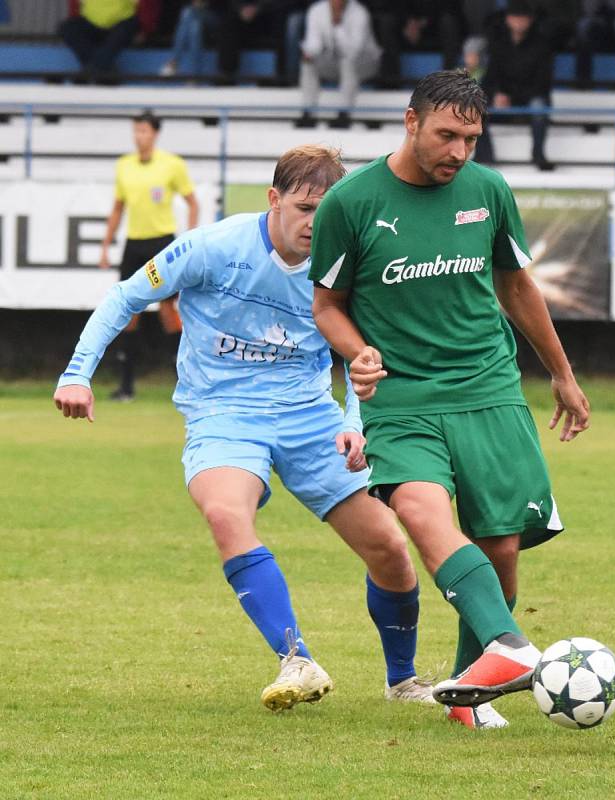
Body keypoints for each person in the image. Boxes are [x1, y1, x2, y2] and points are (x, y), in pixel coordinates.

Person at [54, 144, 435, 712]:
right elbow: (124, 296)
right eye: (305, 208)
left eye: (327, 213)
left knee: (390, 548)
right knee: (225, 512)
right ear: (274, 199)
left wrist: (355, 422)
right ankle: (296, 659)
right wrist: (77, 374)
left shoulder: (346, 265)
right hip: (223, 414)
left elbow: (364, 358)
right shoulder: (214, 246)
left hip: (311, 419)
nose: (315, 223)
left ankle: (402, 681)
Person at [309, 70, 590, 731]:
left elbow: (517, 287)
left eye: (470, 138)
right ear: (410, 122)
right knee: (421, 511)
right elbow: (326, 306)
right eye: (445, 135)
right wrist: (358, 352)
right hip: (402, 397)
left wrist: (562, 373)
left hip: (487, 387)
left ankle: (469, 697)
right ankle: (511, 647)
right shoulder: (349, 203)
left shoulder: (488, 191)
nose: (458, 152)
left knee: (499, 549)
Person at [99, 109, 199, 401]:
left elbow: (192, 202)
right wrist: (106, 245)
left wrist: (189, 237)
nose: (139, 136)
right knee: (129, 311)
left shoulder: (171, 165)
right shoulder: (124, 165)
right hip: (134, 244)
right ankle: (127, 386)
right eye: (136, 131)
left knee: (169, 312)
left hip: (161, 244)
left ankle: (186, 382)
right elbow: (118, 208)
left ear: (154, 133)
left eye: (144, 131)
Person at [474, 0, 555, 171]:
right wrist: (497, 94)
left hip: (529, 97)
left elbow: (542, 84)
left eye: (523, 17)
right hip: (504, 98)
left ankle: (538, 154)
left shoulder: (542, 45)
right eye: (515, 17)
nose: (519, 21)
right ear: (508, 19)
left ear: (530, 20)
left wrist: (512, 97)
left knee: (539, 106)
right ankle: (485, 154)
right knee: (474, 105)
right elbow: (490, 78)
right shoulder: (499, 44)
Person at [295, 0, 381, 130]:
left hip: (365, 63)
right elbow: (314, 42)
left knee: (347, 62)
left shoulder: (359, 12)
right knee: (308, 64)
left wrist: (338, 24)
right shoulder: (316, 10)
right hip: (335, 62)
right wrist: (310, 53)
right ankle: (308, 113)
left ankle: (344, 114)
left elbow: (354, 50)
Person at [58, 0, 159, 83]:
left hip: (122, 22)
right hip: (90, 23)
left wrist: (145, 29)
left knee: (125, 30)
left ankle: (91, 71)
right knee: (67, 28)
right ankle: (105, 69)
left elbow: (148, 4)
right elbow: (75, 5)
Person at [369, 0, 463, 88]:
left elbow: (450, 6)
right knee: (387, 21)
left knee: (449, 22)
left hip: (434, 24)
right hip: (406, 24)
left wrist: (424, 21)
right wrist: (407, 21)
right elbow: (393, 4)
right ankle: (391, 77)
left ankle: (448, 78)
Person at [159, 0, 225, 78]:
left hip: (214, 17)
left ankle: (174, 61)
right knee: (194, 25)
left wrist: (205, 3)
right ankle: (194, 74)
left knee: (188, 15)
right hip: (194, 16)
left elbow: (223, 5)